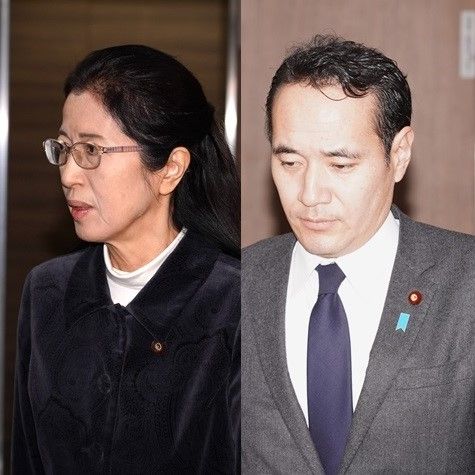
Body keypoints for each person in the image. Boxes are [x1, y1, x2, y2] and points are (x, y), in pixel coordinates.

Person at [242, 35, 475, 474]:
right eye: (290, 163)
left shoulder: (465, 281)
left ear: (399, 155)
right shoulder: (234, 283)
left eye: (340, 165)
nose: (310, 194)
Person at [12, 45, 240, 474]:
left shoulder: (234, 305)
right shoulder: (47, 290)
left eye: (92, 151)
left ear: (169, 169)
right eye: (64, 148)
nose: (68, 174)